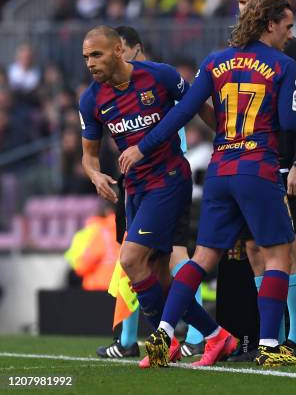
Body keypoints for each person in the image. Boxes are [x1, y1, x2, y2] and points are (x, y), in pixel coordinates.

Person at [118, 0, 296, 367]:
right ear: (270, 25)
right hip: (258, 169)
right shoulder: (282, 64)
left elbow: (183, 112)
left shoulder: (214, 61)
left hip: (220, 170)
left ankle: (162, 334)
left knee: (200, 260)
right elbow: (290, 122)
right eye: (288, 26)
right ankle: (270, 347)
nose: (290, 34)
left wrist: (141, 148)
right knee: (278, 256)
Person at [79, 25, 220, 368]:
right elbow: (89, 154)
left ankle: (161, 340)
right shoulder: (91, 99)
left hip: (169, 178)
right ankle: (216, 336)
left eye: (96, 55)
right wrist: (94, 173)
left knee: (130, 260)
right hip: (135, 188)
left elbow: (196, 104)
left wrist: (225, 135)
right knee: (157, 273)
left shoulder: (159, 76)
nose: (90, 63)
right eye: (86, 57)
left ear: (118, 50)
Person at [230, 0, 296, 361]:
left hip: (282, 168)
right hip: (247, 167)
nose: (242, 9)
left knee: (290, 249)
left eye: (250, 2)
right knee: (255, 250)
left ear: (267, 4)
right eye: (238, 3)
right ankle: (274, 340)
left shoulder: (292, 49)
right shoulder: (240, 49)